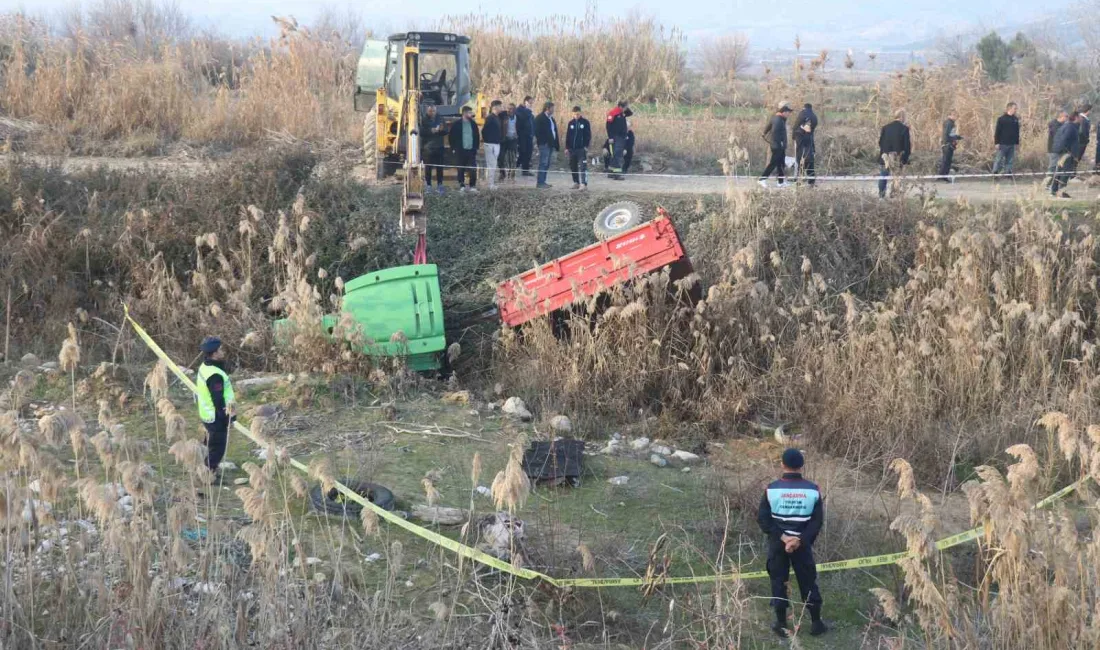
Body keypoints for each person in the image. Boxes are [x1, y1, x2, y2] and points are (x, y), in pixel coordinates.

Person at [757, 448, 827, 638]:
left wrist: (783, 538)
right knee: (808, 581)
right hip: (802, 546)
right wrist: (799, 540)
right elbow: (816, 521)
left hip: (778, 545)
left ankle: (781, 625)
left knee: (778, 582)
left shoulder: (771, 489)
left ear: (782, 465)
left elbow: (763, 519)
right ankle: (816, 624)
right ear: (801, 466)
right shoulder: (813, 490)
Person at [196, 336, 236, 480]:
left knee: (210, 443)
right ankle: (208, 475)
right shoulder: (214, 375)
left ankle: (204, 466)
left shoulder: (206, 367)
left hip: (207, 414)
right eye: (220, 349)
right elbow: (218, 400)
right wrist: (226, 418)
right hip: (216, 417)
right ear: (214, 353)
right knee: (217, 448)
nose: (223, 351)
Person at [878, 109, 911, 199]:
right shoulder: (904, 129)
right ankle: (894, 195)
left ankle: (881, 196)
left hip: (885, 156)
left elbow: (880, 142)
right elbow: (907, 146)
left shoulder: (885, 127)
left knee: (883, 176)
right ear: (902, 117)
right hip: (898, 158)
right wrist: (905, 159)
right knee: (896, 178)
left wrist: (884, 151)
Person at [758, 101, 792, 188]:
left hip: (778, 145)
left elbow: (768, 127)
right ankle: (762, 179)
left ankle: (780, 182)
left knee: (781, 164)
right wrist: (780, 143)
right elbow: (775, 132)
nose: (789, 114)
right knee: (773, 163)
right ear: (784, 112)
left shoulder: (776, 118)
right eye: (788, 112)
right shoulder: (779, 120)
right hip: (777, 146)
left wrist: (764, 133)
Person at [449, 105, 480, 193]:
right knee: (460, 168)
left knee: (473, 168)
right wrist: (453, 148)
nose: (471, 114)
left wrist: (476, 147)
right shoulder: (457, 124)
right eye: (469, 112)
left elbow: (477, 136)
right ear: (464, 113)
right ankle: (461, 185)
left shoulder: (473, 124)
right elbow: (451, 136)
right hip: (460, 150)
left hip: (471, 150)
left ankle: (472, 185)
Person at [1051, 111, 1081, 198]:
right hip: (1067, 154)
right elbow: (1064, 140)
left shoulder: (1067, 125)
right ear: (1076, 117)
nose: (1081, 118)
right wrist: (1069, 152)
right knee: (1065, 173)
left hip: (1063, 152)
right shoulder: (1070, 127)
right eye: (1079, 117)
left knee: (1060, 171)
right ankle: (1061, 191)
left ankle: (1054, 190)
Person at [420, 105, 447, 194]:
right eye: (430, 111)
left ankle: (440, 185)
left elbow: (446, 131)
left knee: (440, 167)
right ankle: (428, 185)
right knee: (428, 167)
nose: (432, 113)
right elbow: (421, 131)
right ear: (427, 111)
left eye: (433, 111)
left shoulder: (440, 118)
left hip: (439, 146)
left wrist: (441, 130)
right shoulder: (423, 120)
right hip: (428, 147)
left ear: (436, 110)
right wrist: (431, 131)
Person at [606, 100, 633, 180]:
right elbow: (608, 126)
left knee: (615, 155)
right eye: (625, 107)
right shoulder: (613, 113)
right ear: (621, 107)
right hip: (616, 137)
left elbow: (630, 113)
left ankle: (611, 172)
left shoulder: (622, 113)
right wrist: (610, 137)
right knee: (617, 155)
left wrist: (626, 108)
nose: (626, 109)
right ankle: (617, 174)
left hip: (621, 137)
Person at [566, 105, 591, 189]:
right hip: (572, 149)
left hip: (581, 149)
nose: (576, 116)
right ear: (572, 114)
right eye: (575, 114)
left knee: (583, 166)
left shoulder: (585, 122)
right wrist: (567, 147)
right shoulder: (571, 123)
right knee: (573, 166)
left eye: (578, 114)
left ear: (580, 113)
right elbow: (568, 136)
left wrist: (586, 146)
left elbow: (588, 135)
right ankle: (576, 182)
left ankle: (584, 183)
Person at [534, 101, 559, 189]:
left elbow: (554, 131)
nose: (553, 110)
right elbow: (536, 131)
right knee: (543, 163)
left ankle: (543, 181)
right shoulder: (540, 118)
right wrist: (542, 141)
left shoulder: (551, 119)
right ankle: (540, 182)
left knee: (547, 163)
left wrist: (556, 144)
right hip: (544, 144)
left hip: (551, 144)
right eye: (552, 108)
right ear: (547, 108)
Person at [993, 102, 1020, 177]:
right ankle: (995, 173)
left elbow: (1017, 132)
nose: (1016, 110)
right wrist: (997, 143)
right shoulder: (1001, 119)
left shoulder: (1015, 119)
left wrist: (1017, 143)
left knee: (1010, 160)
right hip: (1002, 143)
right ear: (1010, 108)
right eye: (1015, 108)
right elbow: (997, 132)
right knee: (999, 159)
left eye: (1016, 108)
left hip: (1012, 143)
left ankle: (1008, 173)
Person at [793, 102, 818, 185]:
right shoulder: (814, 116)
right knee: (810, 166)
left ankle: (800, 181)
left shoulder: (802, 114)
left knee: (802, 165)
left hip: (803, 153)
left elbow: (796, 124)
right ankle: (810, 182)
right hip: (809, 152)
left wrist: (794, 135)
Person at [482, 99, 504, 189]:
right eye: (500, 106)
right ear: (495, 107)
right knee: (491, 164)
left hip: (496, 143)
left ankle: (491, 183)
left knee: (493, 164)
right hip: (490, 144)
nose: (501, 108)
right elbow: (484, 131)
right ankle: (490, 184)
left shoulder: (497, 117)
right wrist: (488, 141)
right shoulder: (490, 118)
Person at [938, 112, 962, 183]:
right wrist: (948, 143)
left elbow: (952, 134)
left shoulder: (951, 123)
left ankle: (944, 176)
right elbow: (946, 134)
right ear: (950, 115)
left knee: (948, 161)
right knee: (946, 161)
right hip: (947, 145)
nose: (956, 117)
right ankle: (942, 176)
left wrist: (958, 137)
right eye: (954, 115)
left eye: (956, 115)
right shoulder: (949, 123)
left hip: (949, 144)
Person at [516, 96, 536, 177]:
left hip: (529, 135)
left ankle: (525, 170)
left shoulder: (529, 112)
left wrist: (533, 133)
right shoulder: (520, 110)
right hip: (522, 135)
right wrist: (527, 111)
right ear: (525, 102)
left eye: (532, 103)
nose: (531, 104)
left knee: (528, 152)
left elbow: (532, 123)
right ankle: (516, 166)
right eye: (530, 103)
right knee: (523, 152)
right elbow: (521, 120)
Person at [1047, 111, 1068, 186]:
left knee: (1059, 167)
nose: (1067, 118)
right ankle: (1048, 183)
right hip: (1054, 150)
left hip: (1060, 149)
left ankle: (1053, 183)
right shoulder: (1055, 125)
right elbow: (1059, 137)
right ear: (1062, 116)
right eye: (1066, 116)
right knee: (1053, 167)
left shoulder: (1062, 125)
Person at [500, 103, 519, 182]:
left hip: (513, 139)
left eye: (511, 109)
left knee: (513, 159)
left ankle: (512, 176)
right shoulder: (503, 117)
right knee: (502, 158)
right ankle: (502, 174)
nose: (509, 110)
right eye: (508, 108)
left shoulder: (517, 118)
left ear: (514, 110)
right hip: (505, 139)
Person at [1073, 103, 1091, 180]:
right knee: (1077, 157)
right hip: (1081, 142)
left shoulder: (1083, 118)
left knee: (1077, 158)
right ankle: (1072, 174)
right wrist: (1086, 140)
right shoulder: (1083, 119)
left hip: (1081, 141)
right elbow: (1082, 132)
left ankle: (1073, 173)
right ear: (1088, 111)